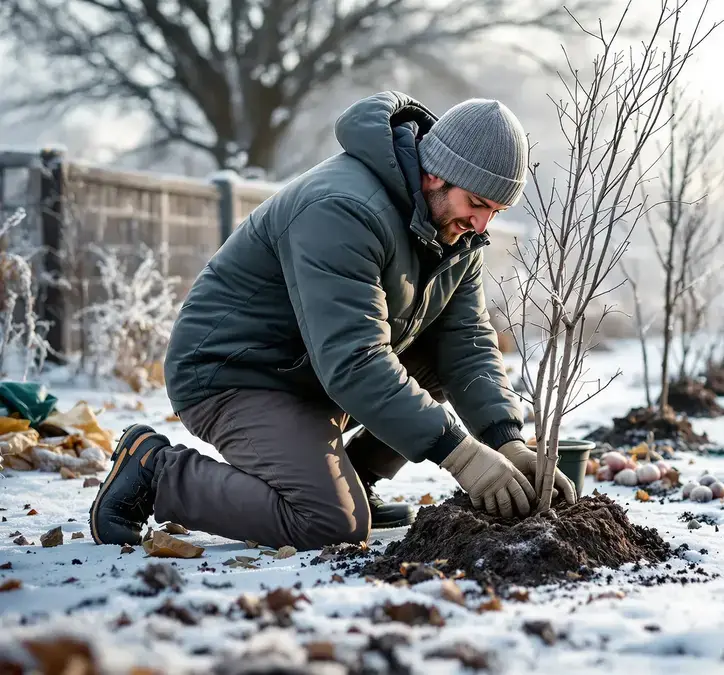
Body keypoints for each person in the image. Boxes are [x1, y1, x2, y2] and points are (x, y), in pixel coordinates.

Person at [88, 91, 577, 551]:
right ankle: (155, 473)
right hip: (237, 375)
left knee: (438, 354)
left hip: (313, 373)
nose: (482, 225)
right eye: (477, 204)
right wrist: (463, 456)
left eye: (497, 211)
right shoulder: (343, 208)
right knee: (330, 524)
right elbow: (354, 361)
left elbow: (467, 344)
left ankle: (355, 481)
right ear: (435, 175)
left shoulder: (456, 233)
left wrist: (505, 441)